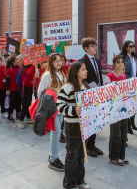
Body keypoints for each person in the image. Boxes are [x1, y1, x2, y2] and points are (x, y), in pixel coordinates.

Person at [57, 61, 90, 189]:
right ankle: (69, 184)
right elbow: (59, 105)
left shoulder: (87, 87)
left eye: (85, 69)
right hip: (73, 126)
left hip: (85, 125)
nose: (86, 71)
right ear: (76, 72)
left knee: (82, 154)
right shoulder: (67, 87)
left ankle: (80, 180)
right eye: (83, 69)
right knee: (72, 154)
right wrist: (73, 111)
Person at [37, 53, 66, 171]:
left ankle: (52, 155)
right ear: (51, 62)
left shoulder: (62, 74)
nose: (59, 63)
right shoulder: (47, 75)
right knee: (56, 132)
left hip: (61, 109)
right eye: (56, 61)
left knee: (57, 133)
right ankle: (54, 159)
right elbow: (40, 93)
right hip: (52, 110)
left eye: (60, 60)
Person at [79, 37, 103, 157]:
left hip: (98, 93)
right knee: (89, 121)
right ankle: (87, 145)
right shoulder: (81, 61)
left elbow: (99, 77)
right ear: (86, 48)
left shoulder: (97, 61)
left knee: (96, 120)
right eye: (93, 46)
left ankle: (92, 144)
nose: (95, 48)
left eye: (95, 46)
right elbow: (81, 78)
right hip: (88, 93)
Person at [104, 55, 129, 166]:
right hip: (113, 110)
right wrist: (111, 88)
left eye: (122, 62)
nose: (120, 64)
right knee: (116, 133)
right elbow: (105, 94)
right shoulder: (109, 77)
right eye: (118, 62)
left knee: (123, 133)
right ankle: (114, 156)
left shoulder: (124, 76)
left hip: (123, 109)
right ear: (114, 64)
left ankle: (121, 156)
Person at [120, 40, 137, 134]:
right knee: (128, 104)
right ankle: (128, 125)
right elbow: (122, 71)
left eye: (133, 46)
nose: (132, 47)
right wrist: (130, 79)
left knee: (134, 104)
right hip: (127, 83)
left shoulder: (135, 57)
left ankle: (132, 122)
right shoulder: (123, 58)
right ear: (126, 48)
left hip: (135, 84)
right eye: (130, 46)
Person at [17, 60, 36, 129]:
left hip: (28, 87)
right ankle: (20, 119)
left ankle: (28, 118)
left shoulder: (29, 68)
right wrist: (34, 64)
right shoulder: (26, 68)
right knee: (26, 104)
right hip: (24, 88)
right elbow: (30, 73)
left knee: (28, 103)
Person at [5, 55, 22, 122]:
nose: (18, 61)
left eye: (18, 59)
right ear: (13, 62)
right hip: (12, 90)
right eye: (17, 60)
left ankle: (18, 114)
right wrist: (7, 89)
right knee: (12, 103)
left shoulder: (20, 67)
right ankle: (10, 115)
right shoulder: (10, 70)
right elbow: (7, 80)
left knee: (19, 102)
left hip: (19, 89)